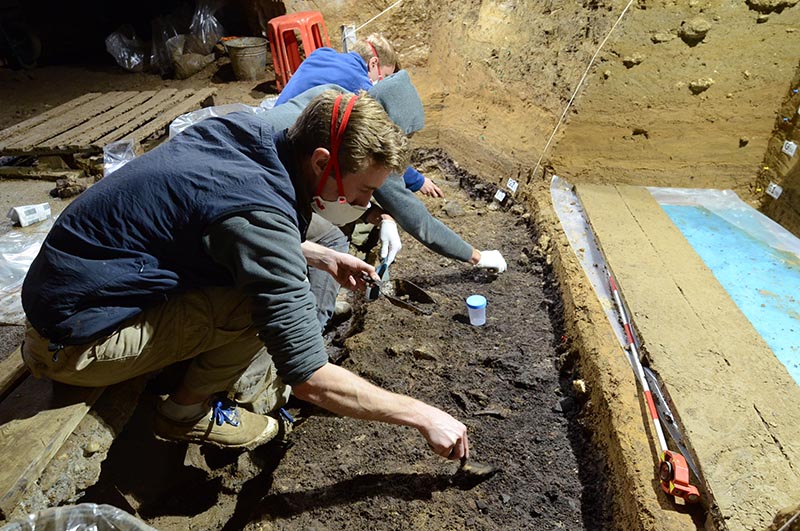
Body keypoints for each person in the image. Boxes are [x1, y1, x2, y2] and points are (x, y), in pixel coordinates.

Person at [20, 90, 469, 461]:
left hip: (74, 286)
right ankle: (185, 412)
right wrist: (424, 416)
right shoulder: (260, 215)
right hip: (72, 342)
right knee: (256, 304)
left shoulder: (249, 134)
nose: (364, 204)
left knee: (267, 279)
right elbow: (309, 378)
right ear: (321, 161)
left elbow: (221, 221)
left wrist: (318, 254)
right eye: (364, 190)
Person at [265, 72, 507, 328]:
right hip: (265, 195)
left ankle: (318, 302)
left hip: (268, 176)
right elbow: (419, 221)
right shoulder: (365, 151)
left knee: (326, 237)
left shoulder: (336, 105)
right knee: (329, 239)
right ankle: (312, 319)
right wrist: (477, 256)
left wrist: (381, 216)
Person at [276, 34, 443, 198]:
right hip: (292, 157)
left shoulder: (322, 53)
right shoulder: (361, 90)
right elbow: (382, 146)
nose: (381, 83)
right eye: (384, 76)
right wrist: (418, 181)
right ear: (373, 63)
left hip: (277, 121)